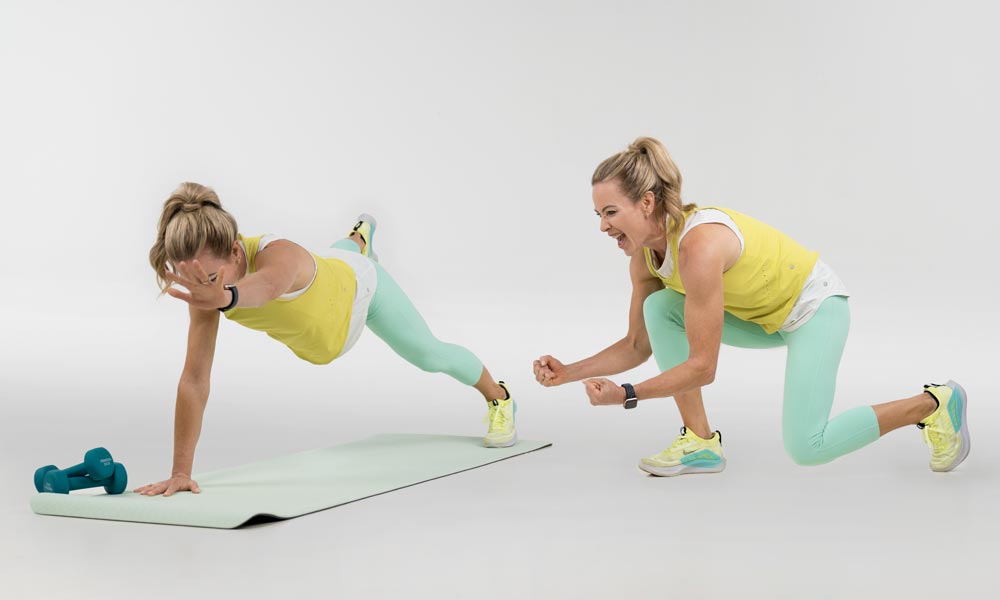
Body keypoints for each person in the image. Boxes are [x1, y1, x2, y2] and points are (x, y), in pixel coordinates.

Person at [533, 137, 969, 477]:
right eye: (598, 215)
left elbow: (704, 366)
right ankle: (701, 444)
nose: (604, 226)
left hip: (814, 309)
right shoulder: (645, 258)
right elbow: (636, 345)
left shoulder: (698, 247)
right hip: (762, 318)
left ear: (646, 202)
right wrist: (569, 372)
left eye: (610, 212)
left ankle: (934, 404)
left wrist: (628, 395)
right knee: (660, 307)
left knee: (807, 447)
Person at [137, 182, 516, 497]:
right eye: (196, 281)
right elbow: (194, 379)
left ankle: (500, 399)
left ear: (236, 250)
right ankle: (357, 238)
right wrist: (180, 471)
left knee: (429, 355)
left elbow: (268, 286)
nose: (204, 289)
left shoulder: (278, 254)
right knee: (337, 258)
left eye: (210, 279)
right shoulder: (208, 293)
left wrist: (227, 298)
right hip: (330, 289)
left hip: (363, 295)